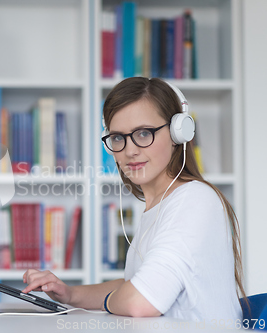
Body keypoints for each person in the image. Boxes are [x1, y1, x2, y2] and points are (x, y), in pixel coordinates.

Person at [22, 77, 249, 322]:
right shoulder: (158, 206)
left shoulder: (194, 199)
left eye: (143, 133)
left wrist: (112, 301)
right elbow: (134, 285)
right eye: (118, 137)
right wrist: (69, 294)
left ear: (177, 133)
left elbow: (140, 300)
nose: (130, 150)